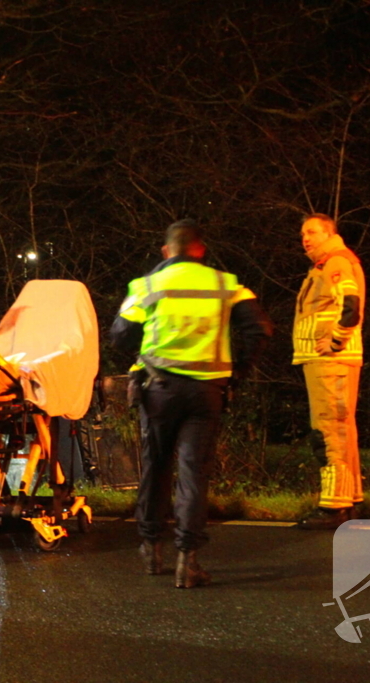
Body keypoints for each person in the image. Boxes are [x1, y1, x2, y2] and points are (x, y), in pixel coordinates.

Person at [111, 219, 272, 588]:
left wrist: (147, 352)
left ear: (166, 251)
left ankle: (151, 550)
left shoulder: (147, 285)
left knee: (156, 469)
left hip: (158, 390)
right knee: (193, 474)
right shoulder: (226, 284)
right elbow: (259, 329)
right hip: (206, 393)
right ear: (200, 250)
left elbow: (120, 334)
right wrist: (237, 370)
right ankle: (188, 560)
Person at [293, 213, 366, 530]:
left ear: (329, 234)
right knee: (342, 427)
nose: (305, 238)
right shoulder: (328, 263)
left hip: (331, 361)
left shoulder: (336, 262)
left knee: (329, 429)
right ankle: (350, 500)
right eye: (303, 233)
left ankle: (334, 507)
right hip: (329, 360)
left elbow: (350, 306)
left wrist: (335, 341)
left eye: (312, 232)